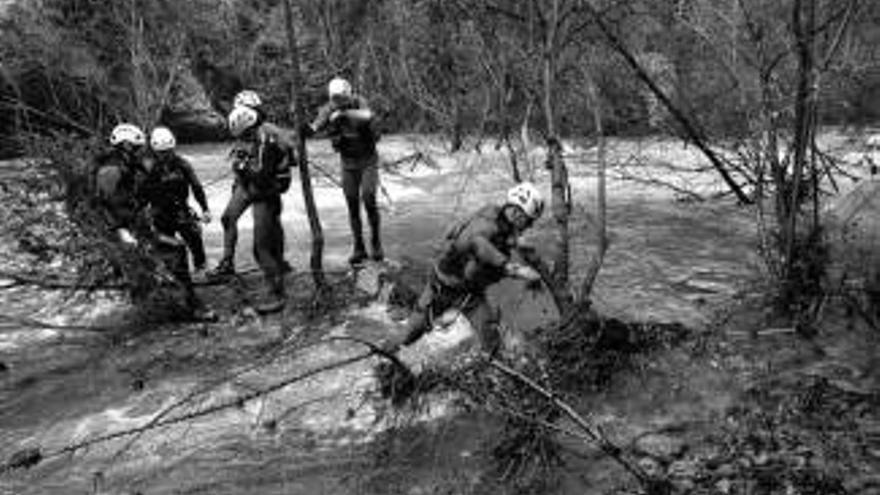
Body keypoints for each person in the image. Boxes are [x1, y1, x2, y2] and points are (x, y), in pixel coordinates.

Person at [384, 182, 546, 354]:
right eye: (528, 221)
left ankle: (493, 368)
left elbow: (500, 245)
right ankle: (383, 355)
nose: (529, 226)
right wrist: (515, 270)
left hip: (470, 294)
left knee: (490, 336)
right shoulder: (485, 224)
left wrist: (520, 252)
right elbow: (478, 243)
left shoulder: (503, 222)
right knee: (410, 334)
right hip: (443, 289)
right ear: (516, 213)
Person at [94, 123, 214, 321]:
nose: (140, 152)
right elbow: (106, 204)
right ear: (125, 146)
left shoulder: (129, 165)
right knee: (176, 251)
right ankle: (190, 307)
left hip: (139, 224)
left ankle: (174, 299)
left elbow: (139, 193)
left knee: (177, 250)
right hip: (126, 230)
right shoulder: (110, 171)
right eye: (136, 148)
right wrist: (121, 231)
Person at [301, 77, 383, 266]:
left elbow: (369, 115)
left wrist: (345, 115)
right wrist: (308, 129)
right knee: (352, 203)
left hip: (368, 161)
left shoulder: (359, 102)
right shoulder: (329, 108)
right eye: (335, 99)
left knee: (369, 197)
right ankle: (359, 247)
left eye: (341, 98)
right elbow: (317, 124)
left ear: (348, 95)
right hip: (348, 164)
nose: (338, 102)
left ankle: (376, 242)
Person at [224, 105, 295, 313]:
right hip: (266, 195)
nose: (244, 139)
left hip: (266, 196)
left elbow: (263, 175)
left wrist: (242, 168)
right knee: (265, 246)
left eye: (244, 134)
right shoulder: (264, 134)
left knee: (261, 248)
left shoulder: (266, 139)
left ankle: (278, 295)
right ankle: (276, 287)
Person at [207, 89, 266, 278]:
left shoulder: (265, 134)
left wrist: (246, 167)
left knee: (262, 228)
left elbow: (266, 166)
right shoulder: (241, 131)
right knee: (228, 218)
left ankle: (270, 265)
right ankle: (227, 262)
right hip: (243, 185)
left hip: (261, 187)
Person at [145, 126, 211, 276]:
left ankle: (201, 268)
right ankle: (171, 273)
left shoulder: (183, 164)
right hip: (159, 213)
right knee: (166, 246)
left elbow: (196, 187)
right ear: (155, 151)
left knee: (194, 238)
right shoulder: (148, 168)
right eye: (161, 153)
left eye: (168, 151)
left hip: (181, 210)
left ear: (173, 147)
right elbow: (141, 193)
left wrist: (205, 209)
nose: (165, 155)